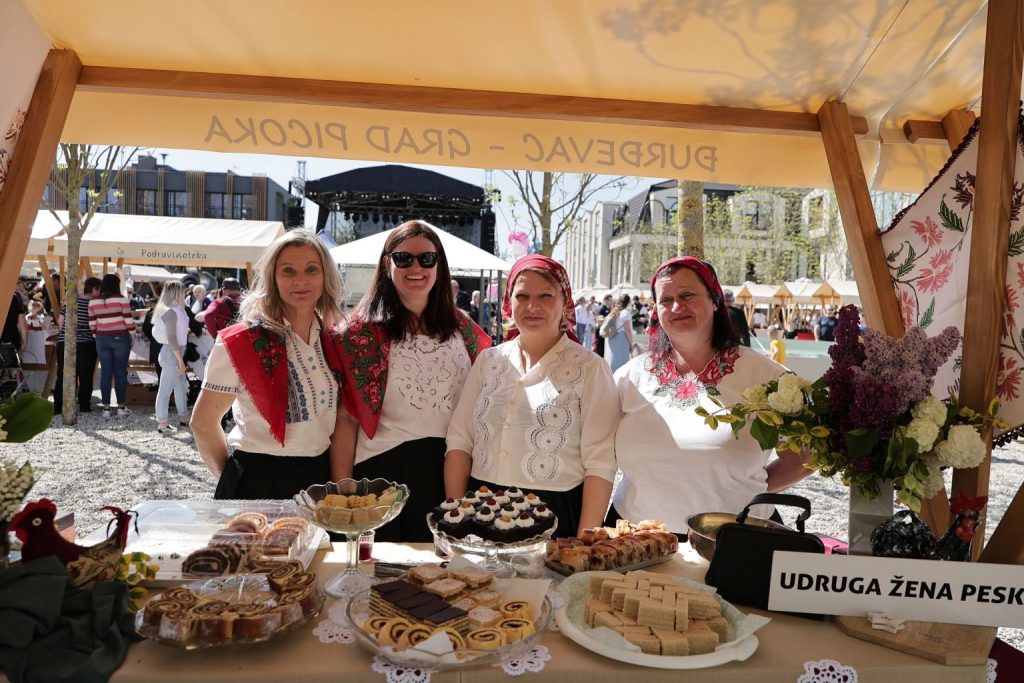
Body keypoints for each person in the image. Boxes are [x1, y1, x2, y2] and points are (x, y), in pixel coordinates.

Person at [609, 256, 811, 534]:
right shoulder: (629, 377)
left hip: (732, 539)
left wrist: (750, 490)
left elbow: (805, 456)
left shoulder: (767, 376)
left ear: (715, 301)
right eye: (665, 300)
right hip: (634, 539)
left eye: (687, 295)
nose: (676, 307)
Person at [333, 220, 492, 542]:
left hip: (452, 474)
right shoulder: (359, 335)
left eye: (427, 259)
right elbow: (346, 419)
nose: (416, 267)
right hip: (383, 478)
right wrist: (344, 494)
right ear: (386, 264)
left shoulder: (465, 330)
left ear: (439, 266)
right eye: (403, 258)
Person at [445, 255, 618, 537]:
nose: (532, 306)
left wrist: (584, 541)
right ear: (508, 302)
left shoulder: (591, 369)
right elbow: (460, 441)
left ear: (565, 302)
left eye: (545, 296)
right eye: (522, 296)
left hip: (555, 517)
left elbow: (600, 463)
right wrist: (455, 521)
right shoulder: (489, 361)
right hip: (481, 510)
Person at [191, 230, 348, 499]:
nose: (300, 280)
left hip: (320, 478)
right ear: (272, 278)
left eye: (312, 269)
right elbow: (203, 424)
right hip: (259, 478)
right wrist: (232, 479)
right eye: (288, 271)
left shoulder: (332, 340)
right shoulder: (242, 340)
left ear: (326, 277)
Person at [88, 274, 136, 418]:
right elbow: (129, 322)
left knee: (105, 373)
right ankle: (120, 407)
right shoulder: (122, 300)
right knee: (120, 373)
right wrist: (133, 335)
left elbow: (92, 324)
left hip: (102, 338)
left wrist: (98, 335)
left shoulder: (93, 302)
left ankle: (106, 409)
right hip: (120, 337)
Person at [53, 277, 101, 415]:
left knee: (63, 375)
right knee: (85, 375)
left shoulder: (70, 302)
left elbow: (60, 322)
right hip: (86, 343)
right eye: (100, 290)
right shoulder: (94, 304)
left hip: (64, 342)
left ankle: (59, 406)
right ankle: (84, 406)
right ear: (94, 289)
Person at [152, 281, 192, 435]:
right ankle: (162, 423)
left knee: (180, 386)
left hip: (174, 351)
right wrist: (180, 361)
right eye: (182, 291)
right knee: (166, 389)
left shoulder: (174, 309)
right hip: (172, 352)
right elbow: (172, 338)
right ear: (177, 292)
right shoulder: (171, 311)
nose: (185, 293)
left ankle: (183, 417)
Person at [606, 294, 634, 373]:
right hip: (621, 338)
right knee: (622, 363)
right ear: (628, 302)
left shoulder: (615, 311)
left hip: (612, 337)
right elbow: (628, 330)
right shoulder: (625, 313)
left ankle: (612, 378)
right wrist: (631, 344)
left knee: (613, 360)